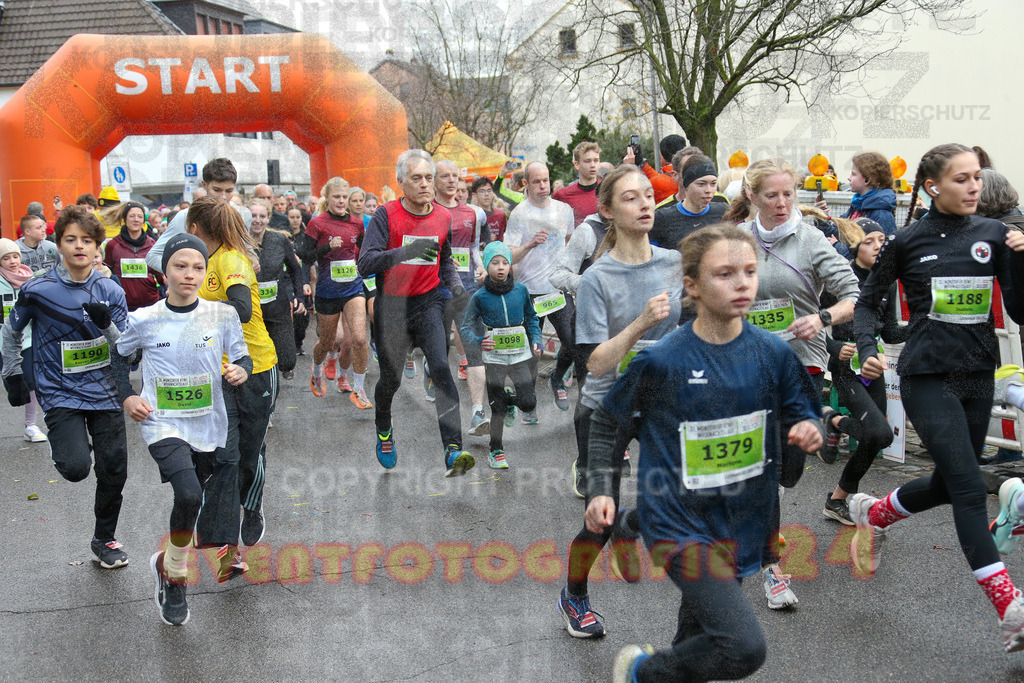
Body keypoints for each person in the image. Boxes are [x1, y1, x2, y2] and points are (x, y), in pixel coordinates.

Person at [584, 224, 822, 681]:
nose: (742, 283)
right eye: (725, 274)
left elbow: (804, 411)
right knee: (743, 648)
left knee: (701, 639)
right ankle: (641, 671)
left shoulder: (773, 353)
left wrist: (811, 428)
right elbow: (607, 422)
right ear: (692, 285)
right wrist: (600, 490)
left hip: (741, 520)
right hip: (677, 521)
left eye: (749, 271)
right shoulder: (662, 360)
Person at [853, 143, 1024, 653]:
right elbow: (867, 304)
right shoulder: (907, 240)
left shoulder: (994, 235)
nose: (974, 187)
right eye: (961, 179)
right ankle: (1010, 608)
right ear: (933, 187)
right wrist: (867, 349)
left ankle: (874, 515)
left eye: (977, 178)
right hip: (926, 375)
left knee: (952, 482)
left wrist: (1022, 260)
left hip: (977, 374)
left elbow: (1019, 310)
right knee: (969, 488)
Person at [556, 166, 683, 641]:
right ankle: (574, 594)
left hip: (660, 403)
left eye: (648, 195)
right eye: (631, 198)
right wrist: (640, 324)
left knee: (683, 498)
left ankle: (632, 525)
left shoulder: (674, 263)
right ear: (607, 210)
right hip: (605, 408)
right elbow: (595, 363)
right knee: (599, 519)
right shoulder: (597, 278)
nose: (645, 204)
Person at [111, 233, 251, 626]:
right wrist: (127, 397)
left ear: (205, 273)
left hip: (207, 423)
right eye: (180, 266)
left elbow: (243, 356)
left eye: (197, 267)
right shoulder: (145, 319)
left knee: (193, 500)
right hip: (161, 422)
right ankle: (175, 576)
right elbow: (117, 357)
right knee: (188, 493)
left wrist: (241, 370)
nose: (189, 274)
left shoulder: (221, 315)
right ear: (165, 271)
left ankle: (166, 562)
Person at [740, 158, 860, 609]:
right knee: (768, 468)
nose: (781, 202)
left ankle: (761, 506)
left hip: (803, 362)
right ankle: (771, 569)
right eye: (771, 195)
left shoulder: (810, 239)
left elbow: (854, 294)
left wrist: (822, 317)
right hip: (750, 364)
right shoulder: (737, 239)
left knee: (789, 469)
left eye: (788, 194)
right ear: (753, 196)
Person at [1, 206, 131, 569]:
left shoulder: (110, 289)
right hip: (60, 391)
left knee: (114, 469)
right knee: (75, 468)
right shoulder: (37, 289)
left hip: (105, 391)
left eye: (86, 240)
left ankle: (104, 539)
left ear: (96, 247)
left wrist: (107, 326)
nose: (78, 246)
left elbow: (127, 348)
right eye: (70, 239)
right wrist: (12, 373)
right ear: (58, 245)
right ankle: (68, 444)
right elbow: (10, 332)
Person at [357, 149, 474, 477]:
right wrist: (406, 251)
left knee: (441, 367)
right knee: (391, 380)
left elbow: (445, 260)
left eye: (428, 178)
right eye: (416, 178)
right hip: (393, 307)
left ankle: (453, 449)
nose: (424, 184)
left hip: (429, 302)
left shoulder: (443, 216)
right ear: (401, 182)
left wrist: (456, 286)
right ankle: (384, 427)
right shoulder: (385, 215)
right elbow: (365, 263)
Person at [187, 196, 278, 571]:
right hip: (218, 373)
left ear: (194, 228)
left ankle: (252, 506)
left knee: (248, 457)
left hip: (257, 369)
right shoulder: (199, 262)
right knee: (224, 455)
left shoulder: (230, 260)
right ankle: (228, 544)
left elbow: (241, 309)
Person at [819, 218, 907, 523]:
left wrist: (924, 326)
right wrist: (834, 348)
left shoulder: (887, 281)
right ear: (855, 245)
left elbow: (890, 333)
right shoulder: (840, 279)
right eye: (869, 241)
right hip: (844, 367)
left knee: (878, 439)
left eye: (882, 240)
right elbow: (814, 324)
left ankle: (836, 500)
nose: (877, 246)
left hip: (872, 365)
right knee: (879, 433)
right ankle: (832, 419)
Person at [503, 161, 580, 419]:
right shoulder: (519, 214)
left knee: (572, 341)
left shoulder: (564, 210)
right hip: (530, 292)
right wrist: (529, 245)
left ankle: (557, 379)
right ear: (526, 183)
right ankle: (528, 402)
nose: (543, 186)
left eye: (546, 180)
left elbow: (570, 243)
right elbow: (509, 257)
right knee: (533, 352)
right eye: (536, 181)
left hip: (557, 289)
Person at [459, 241, 543, 468]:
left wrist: (537, 338)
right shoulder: (480, 296)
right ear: (487, 266)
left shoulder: (521, 290)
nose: (500, 267)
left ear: (510, 266)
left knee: (528, 403)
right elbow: (465, 328)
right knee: (497, 409)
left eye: (505, 263)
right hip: (494, 359)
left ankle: (508, 400)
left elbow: (532, 317)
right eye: (495, 263)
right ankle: (496, 451)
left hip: (519, 356)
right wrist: (479, 341)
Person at [298, 177, 372, 408]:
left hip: (353, 288)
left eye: (344, 197)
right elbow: (304, 256)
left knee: (359, 339)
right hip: (328, 291)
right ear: (327, 198)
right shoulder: (317, 223)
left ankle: (359, 389)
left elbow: (364, 251)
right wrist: (326, 247)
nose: (341, 201)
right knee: (328, 342)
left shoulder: (356, 224)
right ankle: (316, 370)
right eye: (336, 197)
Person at [433, 160, 489, 432]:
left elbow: (474, 247)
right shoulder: (427, 211)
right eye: (445, 176)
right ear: (434, 180)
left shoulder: (473, 213)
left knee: (473, 349)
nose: (451, 180)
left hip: (465, 289)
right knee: (438, 351)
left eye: (455, 176)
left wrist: (481, 265)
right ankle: (429, 369)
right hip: (433, 291)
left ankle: (478, 412)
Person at [147, 159, 239, 272]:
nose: (223, 196)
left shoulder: (240, 214)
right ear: (205, 185)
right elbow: (152, 256)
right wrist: (181, 273)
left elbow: (248, 251)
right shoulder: (186, 216)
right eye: (217, 190)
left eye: (229, 191)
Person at [247, 198, 304, 380]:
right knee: (255, 364)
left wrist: (299, 297)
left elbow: (295, 269)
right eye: (253, 216)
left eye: (262, 216)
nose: (257, 220)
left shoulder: (279, 240)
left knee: (287, 361)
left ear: (268, 218)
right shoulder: (238, 242)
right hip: (250, 311)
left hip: (277, 308)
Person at [0, 238, 46, 442]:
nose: (12, 261)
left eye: (15, 256)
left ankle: (31, 426)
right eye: (6, 258)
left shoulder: (30, 280)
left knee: (30, 381)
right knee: (12, 383)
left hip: (26, 339)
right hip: (2, 341)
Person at [650, 153, 727, 250]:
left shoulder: (724, 211)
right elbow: (650, 256)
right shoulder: (661, 218)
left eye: (713, 183)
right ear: (686, 185)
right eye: (701, 184)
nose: (708, 190)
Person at [103, 202, 162, 311]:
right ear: (125, 219)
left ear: (143, 221)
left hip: (150, 306)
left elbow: (161, 275)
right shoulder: (112, 245)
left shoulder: (152, 245)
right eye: (132, 216)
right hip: (122, 306)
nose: (136, 220)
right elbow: (105, 274)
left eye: (140, 216)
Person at [837, 152, 897, 235]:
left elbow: (884, 242)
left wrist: (838, 243)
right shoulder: (857, 205)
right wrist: (822, 216)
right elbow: (838, 232)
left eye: (853, 174)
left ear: (867, 180)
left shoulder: (881, 214)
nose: (849, 178)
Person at [286, 206, 313, 357]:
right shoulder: (283, 237)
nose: (295, 220)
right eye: (292, 217)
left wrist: (307, 281)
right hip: (286, 278)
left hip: (302, 277)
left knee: (303, 314)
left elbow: (307, 261)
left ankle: (298, 342)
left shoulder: (305, 237)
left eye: (298, 217)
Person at [553, 141, 602, 227]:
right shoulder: (562, 195)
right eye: (587, 161)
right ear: (577, 165)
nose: (593, 165)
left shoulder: (607, 191)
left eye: (596, 160)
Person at [470, 176, 507, 242]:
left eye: (489, 191)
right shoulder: (473, 216)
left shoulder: (501, 215)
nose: (486, 194)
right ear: (474, 195)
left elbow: (504, 237)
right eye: (482, 191)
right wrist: (485, 240)